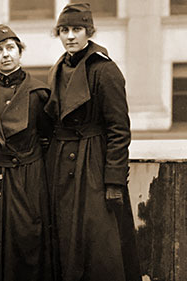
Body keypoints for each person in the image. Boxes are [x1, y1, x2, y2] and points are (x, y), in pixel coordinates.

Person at [45, 3, 140, 281]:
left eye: (77, 29)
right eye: (64, 30)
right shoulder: (58, 68)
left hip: (94, 165)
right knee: (67, 242)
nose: (70, 36)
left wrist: (114, 181)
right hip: (62, 167)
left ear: (89, 32)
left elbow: (119, 130)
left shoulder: (104, 70)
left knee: (100, 245)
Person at [0, 24, 54, 281]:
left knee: (28, 238)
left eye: (10, 48)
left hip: (27, 178)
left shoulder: (38, 92)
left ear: (20, 51)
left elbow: (48, 137)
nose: (5, 54)